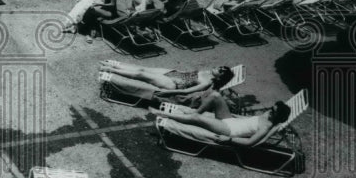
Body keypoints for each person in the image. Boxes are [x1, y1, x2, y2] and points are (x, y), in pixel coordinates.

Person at [155, 99, 292, 147]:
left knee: (198, 119)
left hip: (229, 129)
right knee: (216, 97)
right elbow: (249, 121)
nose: (269, 111)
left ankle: (165, 114)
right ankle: (192, 112)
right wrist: (234, 115)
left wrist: (229, 139)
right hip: (232, 120)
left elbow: (250, 143)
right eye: (272, 108)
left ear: (277, 116)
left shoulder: (266, 127)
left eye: (273, 111)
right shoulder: (268, 115)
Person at [100, 60, 235, 98]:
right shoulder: (207, 72)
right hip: (174, 74)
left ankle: (111, 70)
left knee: (141, 74)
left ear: (220, 76)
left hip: (172, 84)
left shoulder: (207, 82)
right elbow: (188, 74)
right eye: (220, 67)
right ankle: (113, 64)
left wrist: (167, 93)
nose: (218, 68)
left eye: (220, 70)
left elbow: (186, 92)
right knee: (143, 68)